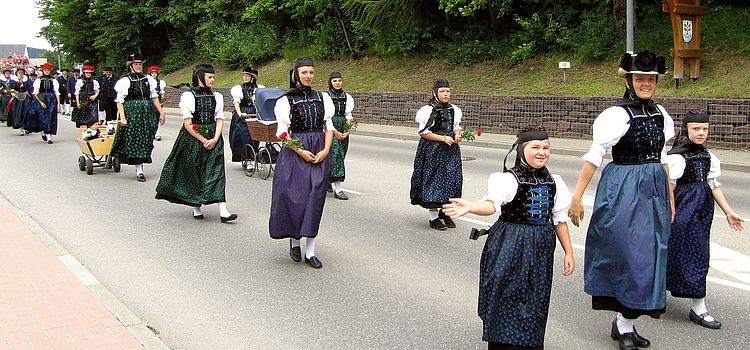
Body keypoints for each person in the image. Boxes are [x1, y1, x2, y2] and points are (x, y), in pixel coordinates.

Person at [568, 51, 674, 350]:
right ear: (628, 81)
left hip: (653, 189)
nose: (646, 84)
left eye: (651, 79)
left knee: (649, 255)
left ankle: (626, 323)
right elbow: (594, 157)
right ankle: (623, 323)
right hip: (624, 188)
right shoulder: (616, 115)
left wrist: (670, 197)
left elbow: (664, 158)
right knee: (628, 254)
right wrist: (577, 197)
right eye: (640, 79)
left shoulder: (660, 114)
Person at [442, 125, 574, 350]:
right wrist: (472, 206)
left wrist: (569, 252)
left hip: (541, 247)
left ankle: (529, 343)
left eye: (546, 147)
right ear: (522, 150)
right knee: (505, 293)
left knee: (535, 296)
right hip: (510, 242)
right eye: (535, 147)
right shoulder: (508, 179)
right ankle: (501, 343)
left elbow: (559, 219)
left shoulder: (555, 182)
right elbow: (490, 205)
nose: (542, 152)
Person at [665, 109, 744, 330]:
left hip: (701, 214)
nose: (701, 133)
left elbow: (713, 185)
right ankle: (657, 294)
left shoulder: (709, 157)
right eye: (696, 129)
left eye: (705, 129)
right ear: (686, 129)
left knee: (699, 256)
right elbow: (669, 188)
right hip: (681, 211)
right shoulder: (677, 157)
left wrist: (728, 211)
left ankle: (699, 306)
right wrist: (670, 212)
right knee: (671, 250)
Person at [269, 57, 335, 269]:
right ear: (296, 74)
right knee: (296, 198)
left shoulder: (322, 98)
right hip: (295, 152)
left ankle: (311, 251)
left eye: (311, 72)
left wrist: (325, 149)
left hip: (319, 150)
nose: (308, 76)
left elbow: (328, 127)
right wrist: (302, 152)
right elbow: (282, 133)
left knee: (315, 199)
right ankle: (295, 241)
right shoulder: (285, 101)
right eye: (304, 72)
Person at [155, 64, 237, 223]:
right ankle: (196, 205)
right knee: (195, 170)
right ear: (200, 78)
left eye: (213, 77)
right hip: (193, 138)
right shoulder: (188, 96)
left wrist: (214, 138)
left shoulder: (217, 97)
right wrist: (203, 139)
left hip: (214, 136)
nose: (213, 80)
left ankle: (223, 210)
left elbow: (219, 119)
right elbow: (188, 124)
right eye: (210, 77)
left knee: (217, 172)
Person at [409, 79, 464, 231]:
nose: (446, 94)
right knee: (433, 179)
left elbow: (456, 127)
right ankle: (433, 218)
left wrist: (457, 135)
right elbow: (424, 133)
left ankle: (445, 212)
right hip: (433, 148)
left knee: (453, 178)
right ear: (434, 93)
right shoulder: (427, 110)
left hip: (450, 149)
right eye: (442, 91)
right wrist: (442, 138)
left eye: (447, 91)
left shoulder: (455, 109)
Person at [112, 53, 165, 182]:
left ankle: (141, 164)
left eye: (140, 64)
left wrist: (161, 112)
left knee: (146, 138)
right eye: (136, 64)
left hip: (147, 112)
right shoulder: (125, 81)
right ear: (130, 66)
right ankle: (139, 169)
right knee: (135, 139)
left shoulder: (148, 80)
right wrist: (123, 118)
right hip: (132, 112)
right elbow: (119, 101)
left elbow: (154, 97)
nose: (138, 66)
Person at [326, 72, 355, 200]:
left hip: (342, 125)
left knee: (341, 155)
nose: (337, 83)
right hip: (330, 127)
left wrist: (347, 130)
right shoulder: (326, 97)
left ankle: (328, 179)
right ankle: (338, 189)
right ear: (330, 83)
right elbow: (326, 117)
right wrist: (334, 132)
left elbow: (348, 115)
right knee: (336, 155)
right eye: (335, 81)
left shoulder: (346, 97)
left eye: (339, 80)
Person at [228, 66, 264, 165]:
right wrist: (239, 113)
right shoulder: (239, 88)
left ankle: (254, 155)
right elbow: (236, 102)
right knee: (244, 136)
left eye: (247, 76)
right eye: (244, 76)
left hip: (255, 113)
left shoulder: (259, 88)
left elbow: (262, 101)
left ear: (252, 77)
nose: (245, 78)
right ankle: (247, 158)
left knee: (255, 136)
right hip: (244, 113)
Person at [29, 62, 61, 144]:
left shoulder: (53, 80)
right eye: (45, 70)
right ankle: (43, 131)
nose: (47, 71)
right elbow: (36, 93)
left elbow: (57, 93)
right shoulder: (39, 80)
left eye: (48, 70)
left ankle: (49, 137)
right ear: (43, 71)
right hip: (42, 98)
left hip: (51, 99)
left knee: (51, 117)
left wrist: (58, 104)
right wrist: (40, 102)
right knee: (43, 117)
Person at [7, 67, 31, 132]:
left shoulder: (27, 80)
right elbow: (10, 89)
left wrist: (26, 90)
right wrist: (15, 92)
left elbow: (30, 88)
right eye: (19, 73)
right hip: (16, 98)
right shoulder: (13, 80)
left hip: (25, 98)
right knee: (18, 113)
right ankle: (21, 128)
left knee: (26, 112)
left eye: (22, 73)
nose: (21, 74)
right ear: (17, 73)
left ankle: (26, 126)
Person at [148, 65, 166, 141]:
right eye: (152, 73)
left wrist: (162, 98)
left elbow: (162, 93)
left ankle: (157, 132)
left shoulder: (160, 82)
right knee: (149, 117)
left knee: (157, 117)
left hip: (158, 102)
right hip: (150, 102)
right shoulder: (147, 82)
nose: (154, 74)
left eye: (155, 73)